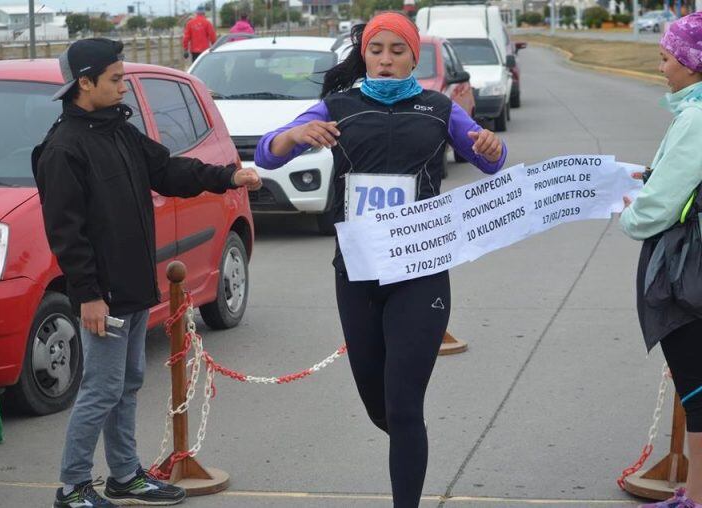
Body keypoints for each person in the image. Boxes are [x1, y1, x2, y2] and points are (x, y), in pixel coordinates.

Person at [255, 13, 506, 508]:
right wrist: (292, 137)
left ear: (414, 57)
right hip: (358, 273)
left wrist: (489, 143)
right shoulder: (338, 106)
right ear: (365, 54)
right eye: (377, 50)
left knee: (405, 405)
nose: (386, 59)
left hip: (421, 272)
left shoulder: (437, 108)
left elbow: (489, 158)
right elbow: (267, 155)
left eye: (397, 50)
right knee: (379, 404)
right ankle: (408, 446)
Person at [32, 38, 261, 508]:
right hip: (105, 297)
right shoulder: (63, 149)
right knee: (101, 390)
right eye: (115, 80)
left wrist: (228, 177)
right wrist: (89, 295)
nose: (124, 88)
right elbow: (67, 236)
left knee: (128, 384)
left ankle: (123, 476)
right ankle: (73, 487)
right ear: (85, 82)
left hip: (136, 286)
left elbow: (168, 171)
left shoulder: (118, 131)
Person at [619, 12, 702, 508]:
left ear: (693, 64)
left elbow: (662, 205)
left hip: (689, 272)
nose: (661, 67)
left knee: (696, 388)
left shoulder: (695, 118)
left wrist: (633, 215)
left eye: (667, 58)